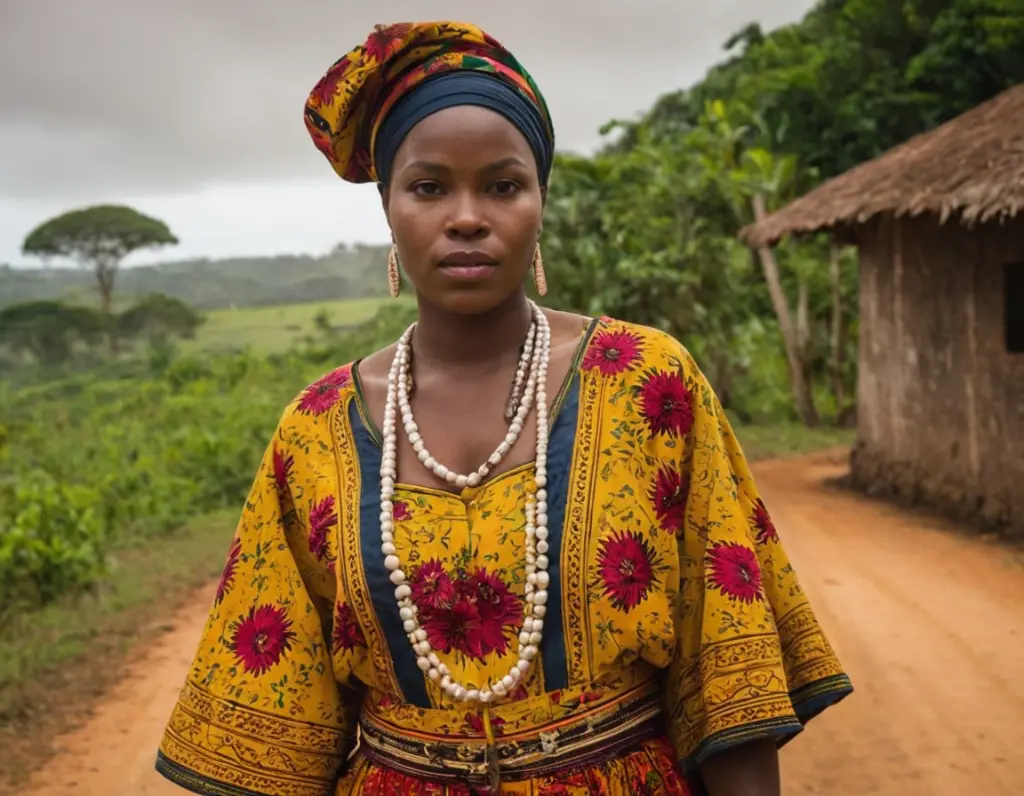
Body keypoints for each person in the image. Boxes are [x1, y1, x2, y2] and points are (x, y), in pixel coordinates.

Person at [154, 21, 852, 796]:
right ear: (388, 205)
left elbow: (729, 676)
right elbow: (275, 731)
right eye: (428, 187)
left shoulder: (650, 384)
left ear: (540, 201)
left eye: (501, 184)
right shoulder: (313, 431)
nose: (466, 216)